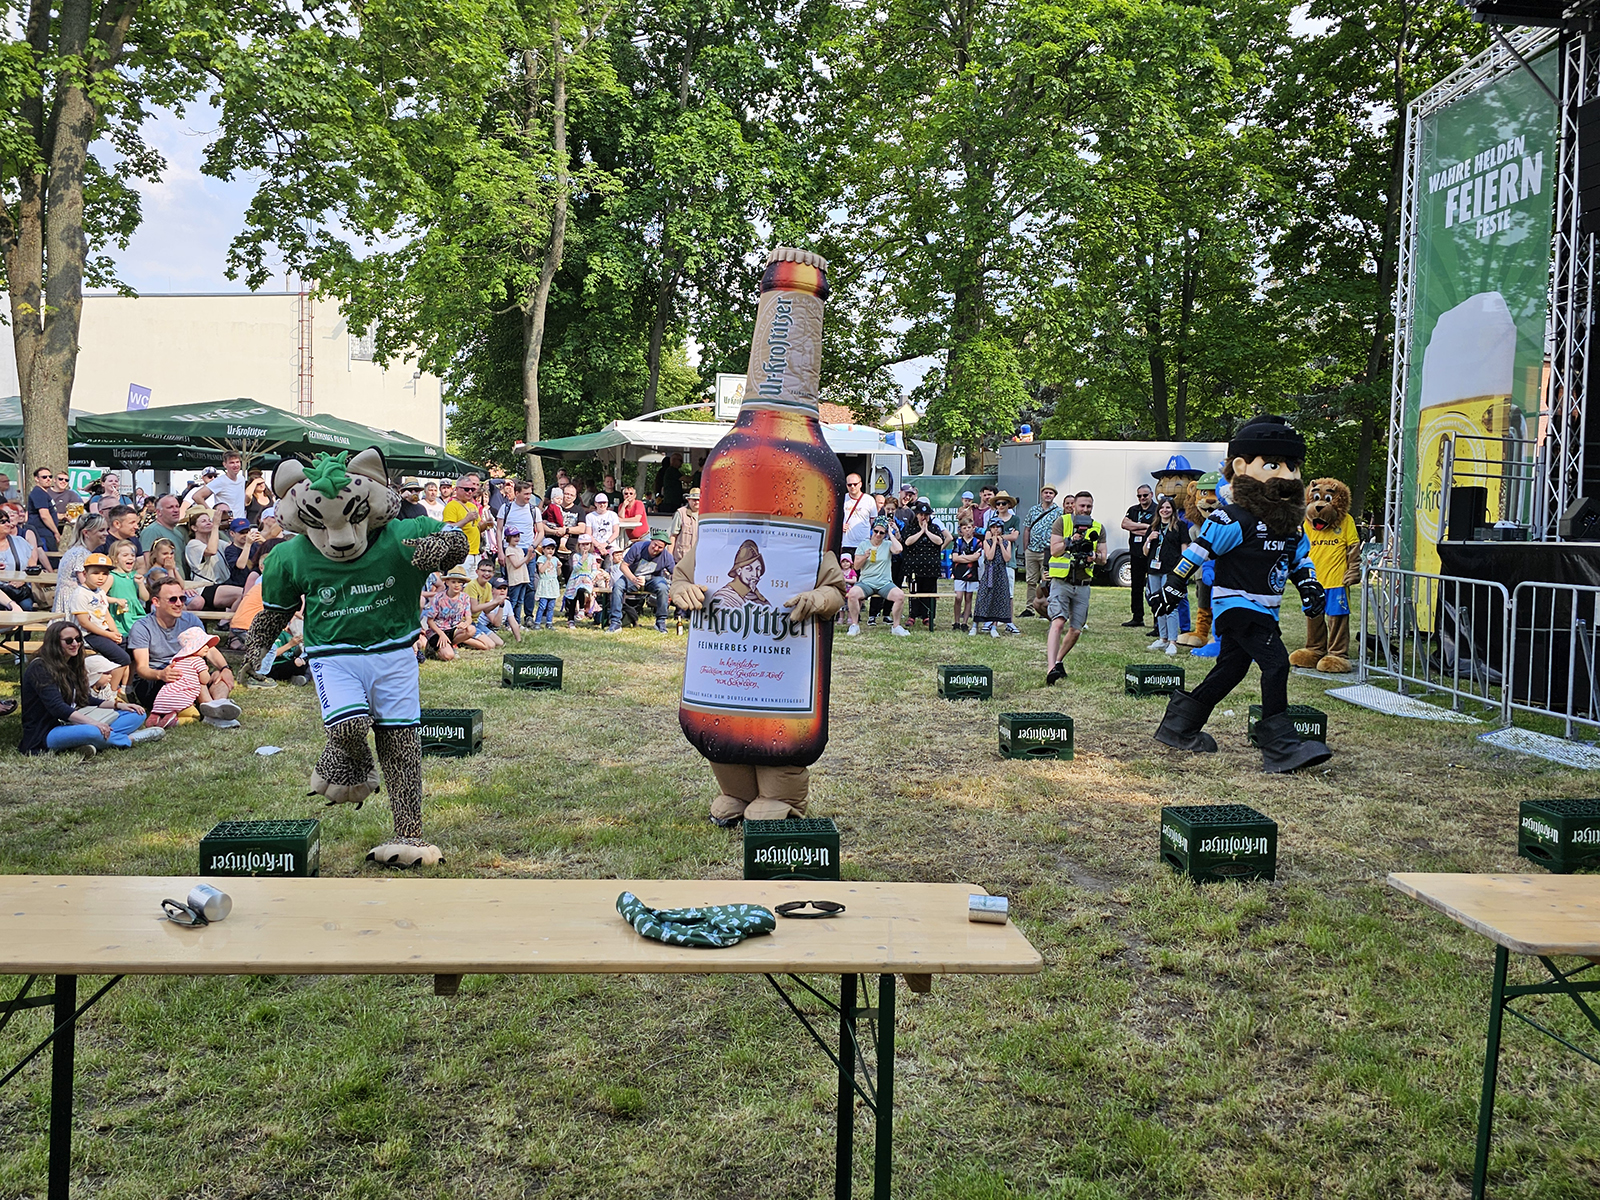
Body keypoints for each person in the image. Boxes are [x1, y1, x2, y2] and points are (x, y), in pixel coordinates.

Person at [1151, 414, 1332, 772]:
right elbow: (1201, 549)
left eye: (1292, 466)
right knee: (1276, 664)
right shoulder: (1234, 518)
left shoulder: (1291, 523)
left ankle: (1178, 726)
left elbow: (1298, 560)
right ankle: (1280, 747)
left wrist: (1309, 584)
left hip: (1265, 607)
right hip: (1237, 603)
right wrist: (1173, 583)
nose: (1286, 475)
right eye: (1273, 465)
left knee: (1231, 669)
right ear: (1241, 466)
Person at [18, 621, 148, 755]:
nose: (75, 644)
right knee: (93, 731)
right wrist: (94, 723)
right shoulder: (40, 668)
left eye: (78, 639)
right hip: (47, 731)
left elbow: (84, 698)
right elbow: (57, 708)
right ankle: (129, 739)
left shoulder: (72, 662)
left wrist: (118, 706)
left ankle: (85, 743)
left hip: (74, 723)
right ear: (54, 643)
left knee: (137, 714)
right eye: (68, 641)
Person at [128, 579, 241, 720]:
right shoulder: (142, 627)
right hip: (155, 682)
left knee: (218, 676)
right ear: (156, 602)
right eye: (172, 599)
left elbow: (209, 649)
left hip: (187, 675)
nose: (179, 603)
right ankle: (212, 709)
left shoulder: (190, 620)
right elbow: (142, 669)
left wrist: (226, 669)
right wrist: (161, 674)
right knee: (192, 674)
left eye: (182, 598)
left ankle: (218, 706)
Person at [1043, 492, 1105, 682]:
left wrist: (1095, 557)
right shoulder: (1062, 522)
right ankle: (1050, 668)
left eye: (1089, 506)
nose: (1085, 509)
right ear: (1073, 506)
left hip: (1083, 583)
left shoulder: (1098, 528)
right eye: (1082, 506)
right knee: (1058, 621)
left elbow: (1104, 558)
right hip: (1061, 581)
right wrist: (1070, 541)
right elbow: (1054, 550)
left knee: (1076, 630)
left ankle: (1059, 661)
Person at [144, 626, 220, 728]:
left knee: (162, 710)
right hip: (180, 700)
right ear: (193, 647)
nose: (207, 647)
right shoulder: (198, 661)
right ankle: (175, 721)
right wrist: (205, 671)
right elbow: (204, 680)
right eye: (203, 644)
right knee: (195, 716)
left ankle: (156, 717)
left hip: (162, 699)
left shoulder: (178, 661)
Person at [845, 517, 909, 636]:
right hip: (866, 582)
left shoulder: (888, 544)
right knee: (852, 594)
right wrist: (865, 556)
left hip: (884, 582)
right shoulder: (864, 544)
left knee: (900, 595)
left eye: (881, 532)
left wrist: (890, 532)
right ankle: (854, 625)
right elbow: (857, 567)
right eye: (876, 531)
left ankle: (896, 626)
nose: (878, 535)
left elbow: (899, 549)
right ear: (872, 530)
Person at [1143, 497, 1188, 657]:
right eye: (1162, 507)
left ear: (1173, 510)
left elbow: (1185, 550)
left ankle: (1172, 641)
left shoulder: (1180, 526)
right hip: (1153, 570)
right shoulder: (1153, 527)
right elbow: (1145, 552)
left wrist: (1181, 573)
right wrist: (1149, 539)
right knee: (1157, 604)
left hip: (1171, 571)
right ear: (1158, 510)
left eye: (1168, 507)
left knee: (1170, 605)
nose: (1165, 510)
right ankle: (1162, 638)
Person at [608, 530, 676, 632]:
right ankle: (615, 623)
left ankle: (660, 622)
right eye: (655, 545)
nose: (656, 549)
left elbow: (675, 573)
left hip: (652, 580)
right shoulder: (638, 547)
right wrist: (634, 579)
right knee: (618, 586)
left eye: (660, 547)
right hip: (632, 577)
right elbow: (623, 566)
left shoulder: (666, 556)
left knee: (663, 587)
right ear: (651, 541)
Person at [899, 499, 946, 630]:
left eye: (926, 515)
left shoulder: (934, 528)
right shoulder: (911, 528)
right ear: (917, 515)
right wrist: (920, 531)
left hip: (930, 567)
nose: (923, 517)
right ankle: (913, 615)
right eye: (921, 515)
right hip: (914, 566)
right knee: (914, 591)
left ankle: (927, 615)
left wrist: (927, 532)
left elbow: (939, 541)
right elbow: (907, 542)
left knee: (928, 590)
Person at [1021, 485, 1063, 619]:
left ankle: (1045, 607)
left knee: (1047, 580)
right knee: (1031, 580)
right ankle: (1029, 608)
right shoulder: (1033, 510)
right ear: (1042, 494)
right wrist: (1026, 547)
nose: (1048, 495)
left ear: (1054, 495)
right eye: (1046, 492)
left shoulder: (1058, 512)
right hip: (1032, 550)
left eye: (1051, 493)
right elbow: (1027, 528)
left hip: (1048, 552)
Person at [54, 514, 108, 612]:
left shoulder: (77, 550)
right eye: (101, 530)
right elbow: (87, 585)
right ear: (86, 533)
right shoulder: (81, 554)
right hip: (73, 604)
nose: (106, 533)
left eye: (106, 529)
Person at [1122, 483, 1158, 628]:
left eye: (1145, 495)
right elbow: (1124, 524)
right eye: (1139, 496)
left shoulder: (1157, 509)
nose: (1142, 498)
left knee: (1154, 587)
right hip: (1135, 553)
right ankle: (1137, 617)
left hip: (1151, 554)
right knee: (1136, 586)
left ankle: (1157, 619)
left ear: (1151, 495)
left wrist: (1135, 526)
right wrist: (1145, 527)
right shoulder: (1133, 509)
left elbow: (1155, 530)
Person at [182, 508, 233, 608]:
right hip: (204, 587)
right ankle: (225, 622)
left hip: (221, 584)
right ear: (194, 528)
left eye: (209, 520)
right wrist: (215, 526)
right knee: (241, 594)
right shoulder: (193, 544)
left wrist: (235, 527)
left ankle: (225, 621)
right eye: (203, 521)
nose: (209, 523)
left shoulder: (217, 542)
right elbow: (211, 551)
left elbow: (233, 548)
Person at [971, 516, 1013, 637]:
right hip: (990, 571)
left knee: (999, 598)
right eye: (993, 527)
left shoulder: (1006, 542)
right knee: (983, 597)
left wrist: (1000, 544)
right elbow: (989, 556)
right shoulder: (986, 542)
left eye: (998, 527)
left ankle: (994, 625)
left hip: (1001, 572)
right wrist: (994, 543)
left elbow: (1007, 558)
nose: (996, 530)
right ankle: (975, 625)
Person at [988, 491, 1023, 633]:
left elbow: (1015, 537)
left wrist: (999, 537)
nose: (1001, 506)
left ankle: (1009, 621)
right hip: (993, 562)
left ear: (1009, 505)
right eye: (998, 503)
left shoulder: (1015, 519)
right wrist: (1005, 536)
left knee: (1009, 594)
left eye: (1004, 503)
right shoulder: (992, 519)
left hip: (1009, 561)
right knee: (992, 592)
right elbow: (988, 537)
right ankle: (991, 621)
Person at [442, 475, 490, 572]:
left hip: (475, 553)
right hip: (462, 555)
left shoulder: (472, 506)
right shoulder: (452, 506)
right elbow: (446, 529)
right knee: (460, 585)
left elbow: (477, 527)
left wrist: (486, 524)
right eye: (466, 489)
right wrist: (466, 519)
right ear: (457, 489)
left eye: (472, 489)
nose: (470, 492)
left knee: (473, 585)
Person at [0, 509, 44, 609]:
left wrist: (22, 580)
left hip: (18, 590)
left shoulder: (20, 542)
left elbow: (32, 566)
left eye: (8, 521)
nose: (8, 524)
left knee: (27, 606)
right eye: (2, 522)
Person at [107, 541, 147, 637]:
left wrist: (141, 584)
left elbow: (145, 598)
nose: (130, 558)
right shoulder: (112, 577)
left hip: (136, 614)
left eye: (133, 555)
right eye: (125, 555)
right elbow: (100, 596)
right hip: (120, 616)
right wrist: (115, 600)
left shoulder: (135, 576)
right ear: (115, 559)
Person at [191, 451, 249, 515]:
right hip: (227, 522)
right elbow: (197, 496)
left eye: (237, 462)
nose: (235, 465)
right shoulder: (220, 481)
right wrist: (211, 513)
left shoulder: (242, 479)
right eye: (231, 463)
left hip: (241, 521)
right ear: (224, 464)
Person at [949, 515, 981, 632]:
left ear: (973, 528)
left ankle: (965, 622)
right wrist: (969, 558)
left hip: (972, 574)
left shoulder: (977, 542)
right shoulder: (958, 542)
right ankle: (956, 621)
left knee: (969, 597)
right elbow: (955, 558)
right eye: (965, 528)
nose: (967, 530)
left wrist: (964, 558)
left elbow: (977, 556)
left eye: (969, 527)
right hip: (959, 573)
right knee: (958, 597)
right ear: (961, 530)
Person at [464, 559, 505, 648]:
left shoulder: (488, 586)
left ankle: (470, 638)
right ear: (477, 571)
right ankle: (461, 640)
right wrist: (494, 601)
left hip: (475, 622)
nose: (486, 574)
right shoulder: (472, 585)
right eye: (483, 570)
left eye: (489, 571)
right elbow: (474, 609)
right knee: (491, 645)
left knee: (500, 643)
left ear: (493, 573)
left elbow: (486, 610)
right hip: (465, 621)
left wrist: (498, 603)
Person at [564, 535, 603, 627]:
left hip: (586, 579)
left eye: (587, 544)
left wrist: (589, 578)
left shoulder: (592, 557)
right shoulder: (576, 556)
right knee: (572, 596)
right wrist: (582, 560)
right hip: (575, 579)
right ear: (579, 545)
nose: (585, 546)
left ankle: (582, 609)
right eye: (582, 544)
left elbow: (594, 570)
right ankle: (571, 619)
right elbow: (575, 569)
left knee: (581, 589)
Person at [139, 494, 189, 562]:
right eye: (170, 507)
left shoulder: (178, 532)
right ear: (159, 512)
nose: (176, 510)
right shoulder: (152, 531)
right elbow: (147, 563)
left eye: (177, 506)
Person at [840, 472, 876, 560]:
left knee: (865, 570)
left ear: (860, 484)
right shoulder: (842, 498)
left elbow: (873, 521)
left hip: (864, 542)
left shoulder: (869, 500)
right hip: (846, 543)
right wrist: (840, 526)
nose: (852, 487)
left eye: (855, 484)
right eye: (849, 485)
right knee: (846, 572)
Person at [26, 466, 61, 552]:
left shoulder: (43, 493)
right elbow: (44, 515)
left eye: (50, 476)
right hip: (42, 534)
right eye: (44, 477)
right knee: (50, 560)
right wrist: (56, 532)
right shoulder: (38, 492)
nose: (48, 479)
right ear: (36, 479)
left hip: (45, 533)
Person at [502, 529, 531, 623]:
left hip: (523, 578)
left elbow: (524, 563)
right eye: (514, 536)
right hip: (515, 579)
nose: (517, 538)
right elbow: (516, 564)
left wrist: (529, 557)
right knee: (513, 602)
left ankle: (517, 622)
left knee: (520, 602)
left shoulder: (520, 549)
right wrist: (527, 557)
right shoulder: (509, 550)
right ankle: (508, 622)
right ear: (508, 538)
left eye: (518, 536)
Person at [500, 479, 540, 547]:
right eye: (526, 494)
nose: (529, 497)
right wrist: (500, 550)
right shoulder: (505, 508)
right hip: (509, 549)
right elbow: (499, 530)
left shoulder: (534, 510)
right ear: (517, 493)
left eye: (530, 494)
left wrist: (533, 546)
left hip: (527, 549)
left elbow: (541, 531)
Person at [532, 538, 561, 629]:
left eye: (552, 549)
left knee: (551, 606)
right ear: (543, 549)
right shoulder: (541, 558)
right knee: (542, 605)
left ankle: (549, 622)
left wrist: (559, 567)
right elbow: (541, 570)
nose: (550, 551)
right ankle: (537, 622)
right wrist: (547, 560)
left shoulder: (555, 559)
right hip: (545, 584)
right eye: (548, 548)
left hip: (552, 584)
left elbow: (558, 574)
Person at [670, 487, 700, 563]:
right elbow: (673, 536)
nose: (696, 502)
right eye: (694, 500)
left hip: (699, 559)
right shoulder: (680, 513)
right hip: (681, 559)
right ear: (688, 500)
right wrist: (669, 558)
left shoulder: (706, 515)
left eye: (698, 500)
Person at [615, 484, 648, 548]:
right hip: (631, 539)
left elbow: (636, 519)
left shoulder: (639, 504)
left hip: (643, 537)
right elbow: (621, 518)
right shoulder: (621, 506)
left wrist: (622, 520)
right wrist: (624, 506)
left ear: (635, 496)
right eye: (626, 494)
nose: (628, 495)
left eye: (631, 493)